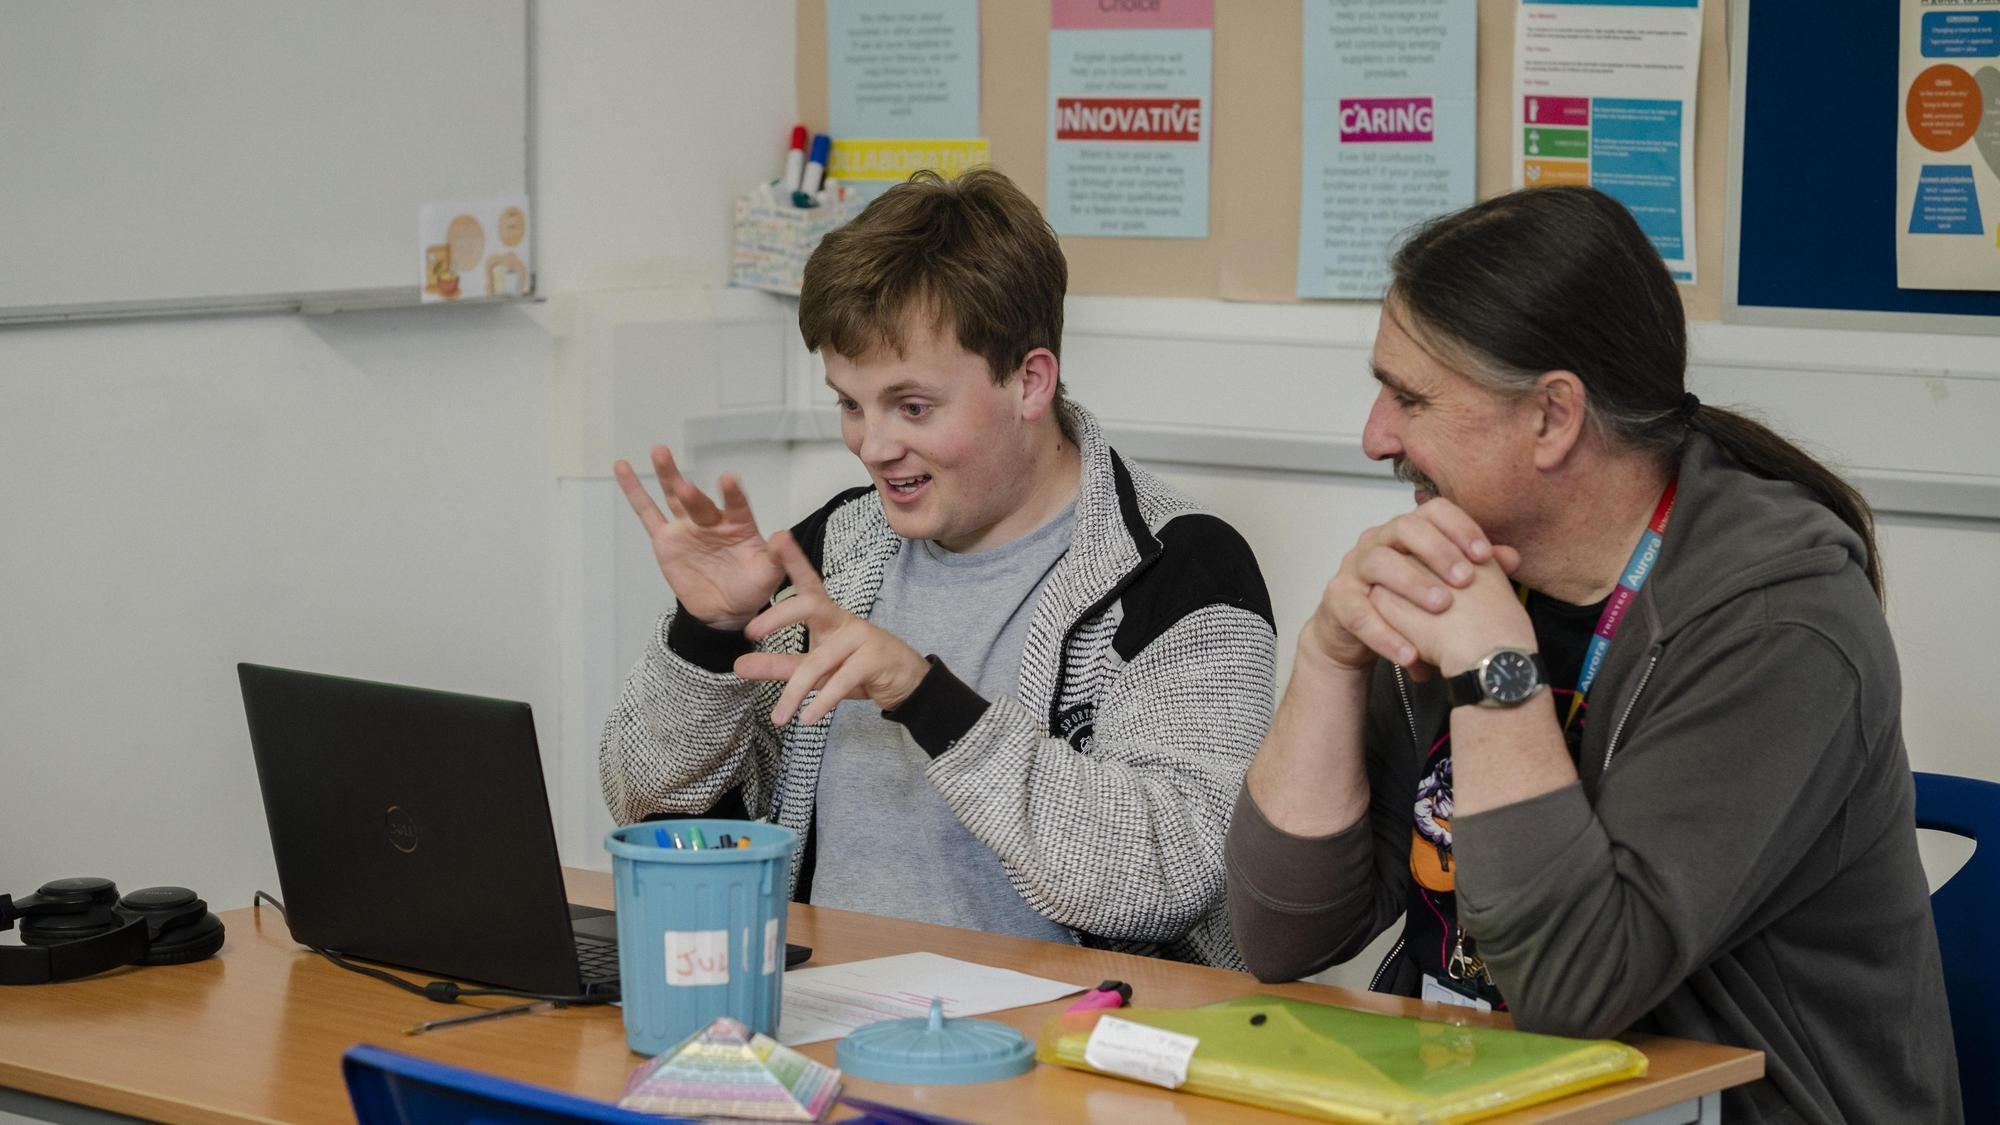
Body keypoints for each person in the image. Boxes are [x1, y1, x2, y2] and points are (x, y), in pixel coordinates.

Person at [1225, 186, 1960, 1122]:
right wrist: (1329, 658)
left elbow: (1573, 990)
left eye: (1410, 397)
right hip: (1473, 1093)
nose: (1376, 436)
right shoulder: (1471, 569)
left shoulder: (1783, 623)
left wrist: (1500, 682)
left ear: (1553, 417)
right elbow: (1283, 932)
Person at [601, 168, 1276, 967]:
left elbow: (1165, 875)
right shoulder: (830, 552)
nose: (873, 446)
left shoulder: (1186, 572)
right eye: (851, 404)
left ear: (1030, 382)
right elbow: (647, 802)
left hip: (1075, 1058)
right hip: (829, 1021)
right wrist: (705, 634)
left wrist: (924, 695)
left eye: (912, 407)